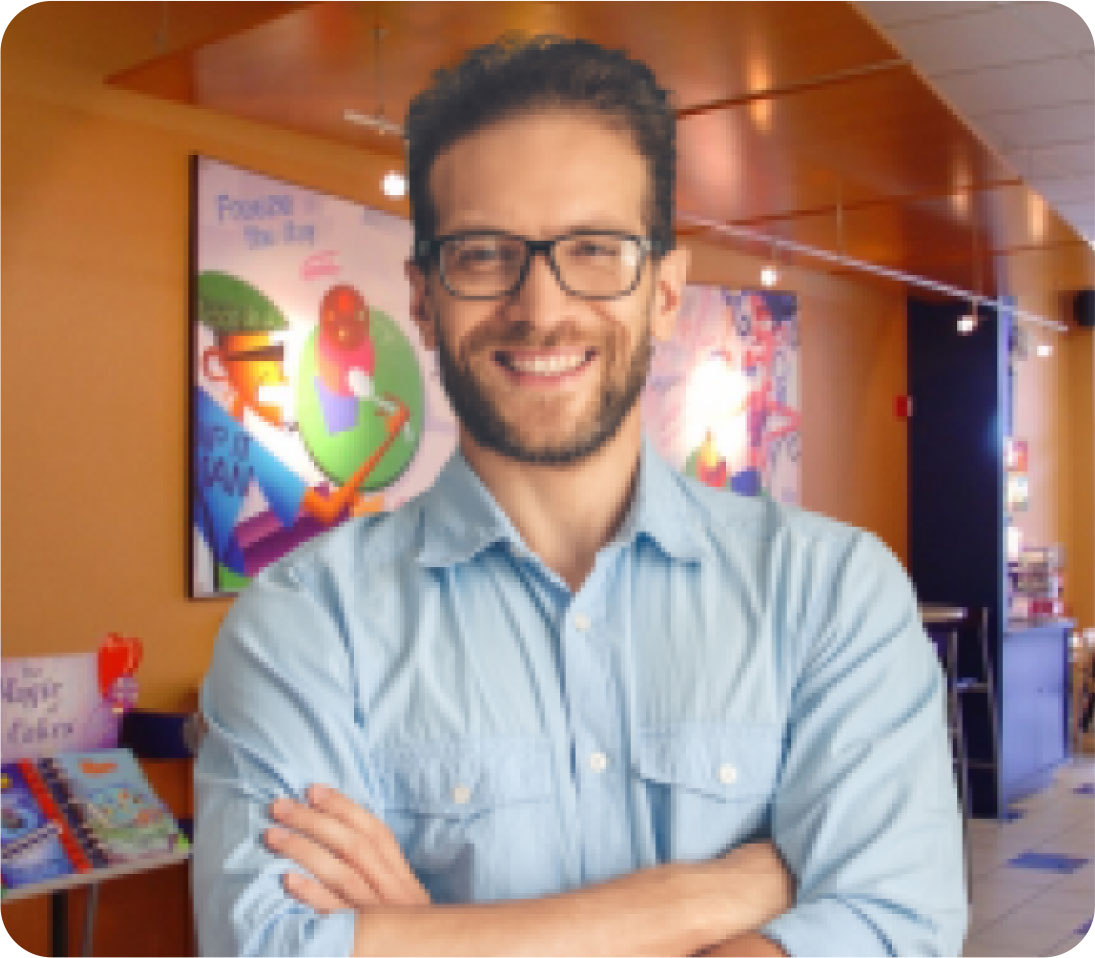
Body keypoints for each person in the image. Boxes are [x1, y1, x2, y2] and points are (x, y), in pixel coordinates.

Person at [194, 36, 967, 957]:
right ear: (423, 297)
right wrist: (708, 897)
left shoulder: (832, 591)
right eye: (484, 254)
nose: (540, 305)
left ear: (666, 292)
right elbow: (267, 946)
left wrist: (423, 937)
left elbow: (894, 923)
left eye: (595, 250)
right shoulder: (303, 621)